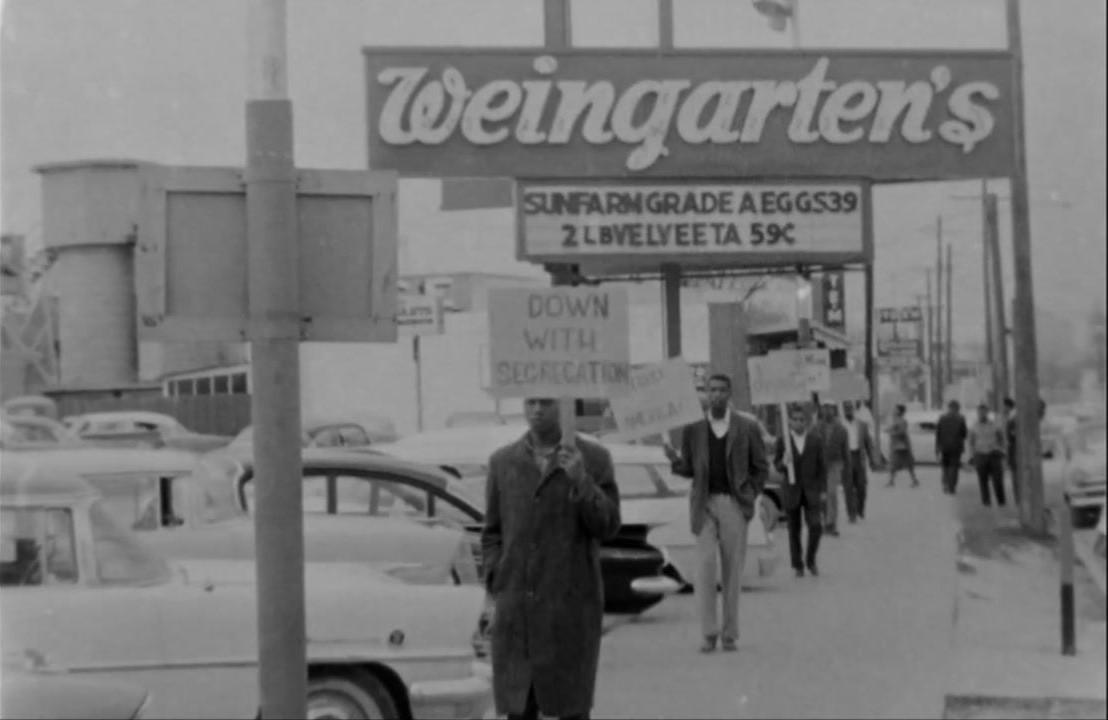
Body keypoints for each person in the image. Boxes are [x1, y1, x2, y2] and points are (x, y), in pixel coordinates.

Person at [482, 397, 622, 720]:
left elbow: (609, 525)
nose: (536, 410)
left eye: (545, 402)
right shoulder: (503, 462)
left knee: (570, 706)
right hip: (517, 611)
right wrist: (497, 578)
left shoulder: (594, 459)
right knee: (519, 705)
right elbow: (492, 532)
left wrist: (581, 481)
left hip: (569, 610)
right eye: (530, 402)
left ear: (564, 406)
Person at [664, 373, 768, 654]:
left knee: (733, 572)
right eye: (712, 391)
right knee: (705, 568)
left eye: (722, 390)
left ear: (729, 394)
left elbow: (761, 466)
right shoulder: (694, 430)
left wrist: (749, 495)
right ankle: (708, 633)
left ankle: (730, 634)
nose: (717, 396)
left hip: (733, 503)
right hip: (704, 504)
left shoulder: (746, 427)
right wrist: (674, 461)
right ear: (706, 395)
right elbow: (689, 468)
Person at [773, 403, 826, 578]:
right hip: (792, 490)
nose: (798, 423)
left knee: (816, 526)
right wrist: (784, 462)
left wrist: (823, 491)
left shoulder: (815, 440)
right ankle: (798, 565)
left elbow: (822, 467)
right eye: (795, 420)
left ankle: (811, 559)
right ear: (789, 422)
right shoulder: (783, 441)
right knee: (793, 530)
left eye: (802, 420)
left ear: (807, 422)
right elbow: (777, 466)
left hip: (811, 491)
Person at [818, 402, 851, 536]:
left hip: (835, 464)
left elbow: (846, 451)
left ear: (834, 410)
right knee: (821, 496)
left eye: (830, 408)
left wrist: (847, 471)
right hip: (819, 465)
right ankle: (825, 522)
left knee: (832, 493)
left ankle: (832, 524)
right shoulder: (817, 428)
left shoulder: (841, 430)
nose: (827, 410)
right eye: (825, 407)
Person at [842, 401, 877, 521]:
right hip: (846, 458)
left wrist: (872, 460)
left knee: (861, 486)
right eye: (846, 408)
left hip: (859, 457)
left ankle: (860, 508)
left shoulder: (862, 425)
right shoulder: (840, 426)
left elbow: (868, 443)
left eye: (850, 408)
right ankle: (851, 514)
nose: (848, 410)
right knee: (848, 487)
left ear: (854, 409)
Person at [968, 402, 1007, 508]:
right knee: (983, 479)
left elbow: (1001, 439)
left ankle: (1001, 501)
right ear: (977, 413)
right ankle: (986, 501)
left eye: (984, 412)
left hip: (994, 454)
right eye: (980, 412)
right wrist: (971, 456)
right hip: (980, 455)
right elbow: (971, 442)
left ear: (987, 413)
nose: (982, 414)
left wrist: (1002, 450)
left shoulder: (994, 425)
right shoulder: (974, 427)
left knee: (998, 479)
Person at [935, 400, 969, 495]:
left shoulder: (942, 418)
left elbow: (938, 434)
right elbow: (964, 434)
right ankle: (952, 487)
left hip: (944, 446)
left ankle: (945, 484)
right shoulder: (961, 418)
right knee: (954, 467)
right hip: (956, 447)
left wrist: (937, 448)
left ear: (949, 407)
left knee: (945, 466)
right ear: (957, 408)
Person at [886, 404, 920, 488]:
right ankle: (892, 481)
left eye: (895, 409)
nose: (893, 410)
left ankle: (913, 480)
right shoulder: (896, 420)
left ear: (899, 411)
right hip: (897, 445)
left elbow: (902, 432)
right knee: (895, 463)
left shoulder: (901, 421)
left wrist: (891, 432)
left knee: (899, 463)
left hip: (901, 446)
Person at [1003, 398, 1019, 505]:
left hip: (1015, 450)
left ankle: (1019, 498)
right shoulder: (1012, 416)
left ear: (1008, 406)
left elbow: (1013, 435)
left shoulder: (1013, 418)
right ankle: (1018, 498)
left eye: (1004, 406)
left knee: (1016, 476)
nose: (1003, 409)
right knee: (1015, 475)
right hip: (1013, 449)